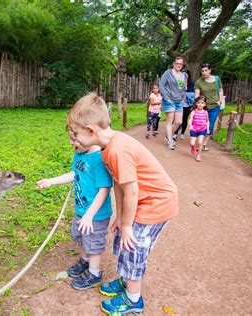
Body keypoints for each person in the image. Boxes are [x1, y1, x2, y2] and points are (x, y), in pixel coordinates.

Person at [67, 93, 178, 315]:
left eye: (77, 135)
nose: (74, 141)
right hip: (141, 201)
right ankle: (127, 282)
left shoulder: (117, 150)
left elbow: (132, 191)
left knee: (133, 248)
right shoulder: (107, 148)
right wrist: (120, 218)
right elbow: (119, 184)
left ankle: (133, 300)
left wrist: (127, 225)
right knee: (122, 242)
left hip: (155, 204)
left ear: (91, 130)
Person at [36, 127, 113, 291]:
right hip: (82, 211)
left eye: (76, 139)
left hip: (95, 215)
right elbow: (74, 174)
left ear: (90, 135)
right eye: (71, 138)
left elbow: (104, 189)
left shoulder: (98, 158)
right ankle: (86, 260)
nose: (72, 143)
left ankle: (94, 273)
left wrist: (90, 215)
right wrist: (51, 181)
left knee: (94, 243)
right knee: (82, 237)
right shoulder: (79, 154)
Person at [194, 63, 225, 151]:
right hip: (204, 107)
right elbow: (197, 95)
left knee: (210, 126)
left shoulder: (217, 79)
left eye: (206, 70)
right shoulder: (198, 82)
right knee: (202, 125)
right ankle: (199, 142)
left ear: (210, 70)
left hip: (215, 106)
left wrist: (220, 100)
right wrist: (197, 105)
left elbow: (220, 90)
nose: (204, 73)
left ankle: (204, 143)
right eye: (202, 71)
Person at [159, 56, 188, 150]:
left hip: (179, 101)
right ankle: (170, 142)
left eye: (181, 64)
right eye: (177, 63)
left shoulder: (184, 75)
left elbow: (184, 88)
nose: (179, 65)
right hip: (170, 100)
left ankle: (169, 135)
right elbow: (161, 85)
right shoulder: (168, 73)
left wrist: (183, 97)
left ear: (182, 65)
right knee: (169, 121)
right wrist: (166, 98)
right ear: (174, 63)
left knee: (179, 122)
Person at [173, 70, 195, 140]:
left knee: (185, 119)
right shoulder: (179, 83)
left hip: (188, 104)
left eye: (186, 75)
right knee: (178, 119)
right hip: (180, 103)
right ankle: (175, 133)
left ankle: (182, 133)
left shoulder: (192, 83)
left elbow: (193, 95)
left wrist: (185, 94)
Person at [188, 96, 210, 162]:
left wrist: (208, 129)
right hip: (194, 129)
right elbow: (190, 119)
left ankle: (198, 155)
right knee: (192, 143)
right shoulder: (193, 112)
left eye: (202, 103)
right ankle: (193, 147)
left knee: (200, 142)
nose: (200, 104)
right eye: (198, 102)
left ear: (205, 104)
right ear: (196, 104)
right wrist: (190, 125)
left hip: (202, 129)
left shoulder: (206, 112)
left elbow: (207, 121)